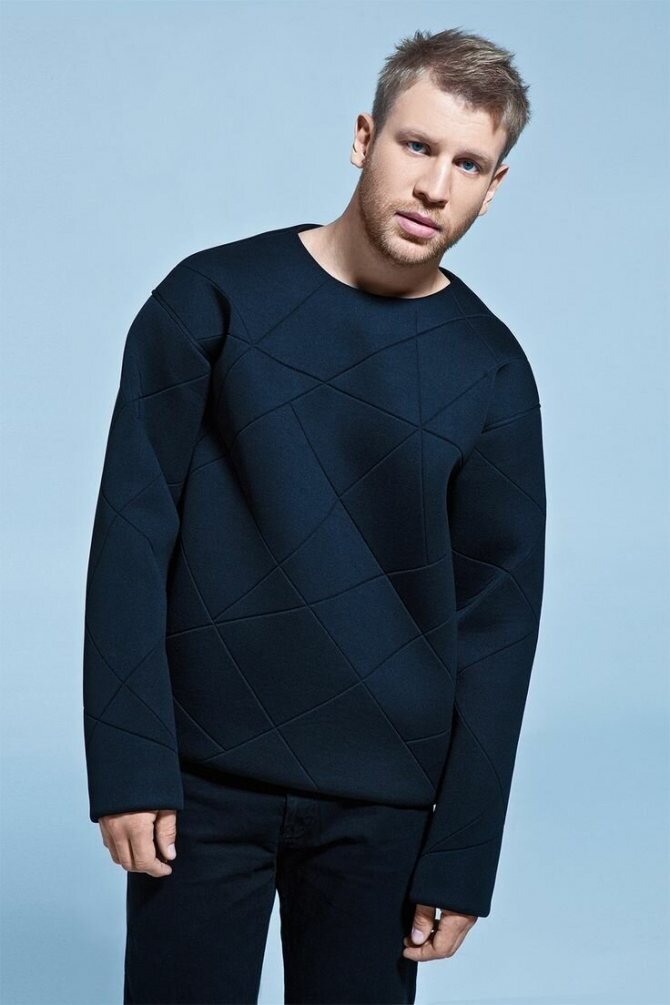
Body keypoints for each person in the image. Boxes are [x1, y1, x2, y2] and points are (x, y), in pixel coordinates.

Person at [82, 26, 547, 1005]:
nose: (435, 186)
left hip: (385, 811)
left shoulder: (492, 372)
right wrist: (129, 763)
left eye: (467, 164)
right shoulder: (209, 300)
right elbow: (132, 532)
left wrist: (462, 851)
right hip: (199, 789)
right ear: (364, 138)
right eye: (416, 145)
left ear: (494, 187)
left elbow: (497, 629)